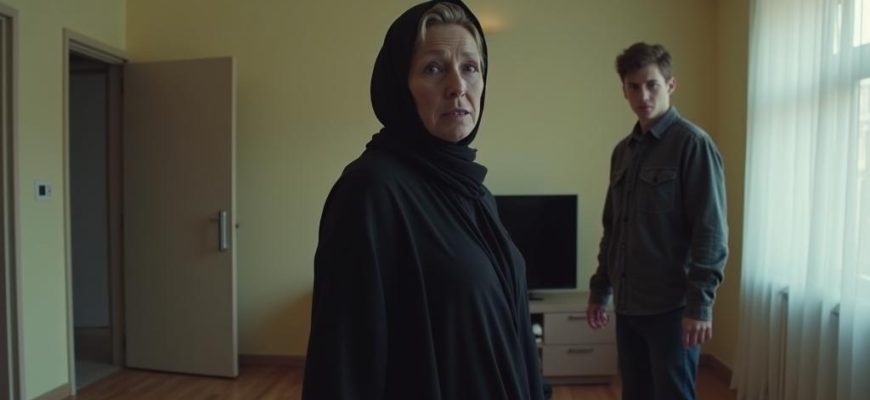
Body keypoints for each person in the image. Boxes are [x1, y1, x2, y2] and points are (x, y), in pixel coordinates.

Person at [302, 1, 545, 399]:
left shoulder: (476, 192)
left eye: (470, 67)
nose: (457, 86)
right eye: (433, 68)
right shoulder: (370, 190)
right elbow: (343, 363)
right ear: (400, 86)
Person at [586, 42, 728, 400]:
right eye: (633, 87)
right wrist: (601, 289)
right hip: (628, 305)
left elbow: (710, 232)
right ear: (624, 90)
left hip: (672, 309)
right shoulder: (622, 152)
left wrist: (700, 306)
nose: (643, 95)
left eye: (652, 85)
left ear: (670, 84)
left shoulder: (693, 144)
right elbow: (613, 229)